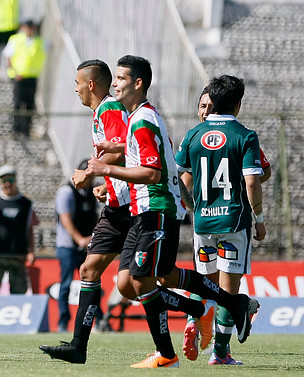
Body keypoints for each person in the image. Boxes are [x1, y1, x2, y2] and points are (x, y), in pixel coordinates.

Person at [84, 55, 260, 368]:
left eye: (121, 79)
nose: (114, 85)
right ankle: (215, 316)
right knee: (147, 281)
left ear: (138, 83)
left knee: (142, 280)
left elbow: (161, 173)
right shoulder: (244, 135)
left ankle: (174, 351)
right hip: (209, 216)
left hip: (165, 210)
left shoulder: (180, 131)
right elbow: (256, 177)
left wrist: (105, 170)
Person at [39, 59, 132, 365]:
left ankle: (221, 305)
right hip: (117, 202)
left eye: (77, 82)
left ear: (90, 84)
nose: (75, 88)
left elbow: (126, 145)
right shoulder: (99, 113)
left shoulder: (108, 109)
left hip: (133, 206)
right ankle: (78, 346)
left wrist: (91, 171)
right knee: (90, 271)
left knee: (145, 281)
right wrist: (107, 183)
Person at [176, 76, 266, 365]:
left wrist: (192, 206)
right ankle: (220, 353)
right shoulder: (245, 135)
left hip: (203, 224)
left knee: (206, 284)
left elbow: (178, 177)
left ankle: (194, 320)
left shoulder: (192, 134)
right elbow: (252, 182)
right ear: (238, 103)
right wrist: (260, 218)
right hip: (233, 222)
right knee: (229, 290)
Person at [0, 165, 40, 294]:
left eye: (10, 180)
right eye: (4, 181)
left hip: (18, 256)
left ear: (15, 180)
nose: (7, 184)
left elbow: (30, 229)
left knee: (18, 293)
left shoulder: (26, 204)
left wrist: (31, 251)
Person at [53, 159, 99, 333]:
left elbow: (93, 216)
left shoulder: (90, 192)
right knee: (65, 284)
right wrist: (79, 239)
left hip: (87, 245)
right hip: (68, 246)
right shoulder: (66, 192)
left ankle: (98, 320)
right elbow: (65, 219)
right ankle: (63, 322)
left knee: (92, 283)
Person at [3, 20, 46, 137]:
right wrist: (15, 72)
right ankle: (16, 129)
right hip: (19, 78)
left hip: (32, 77)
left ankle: (26, 129)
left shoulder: (39, 42)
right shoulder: (16, 39)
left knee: (29, 104)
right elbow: (8, 56)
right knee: (18, 103)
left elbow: (50, 47)